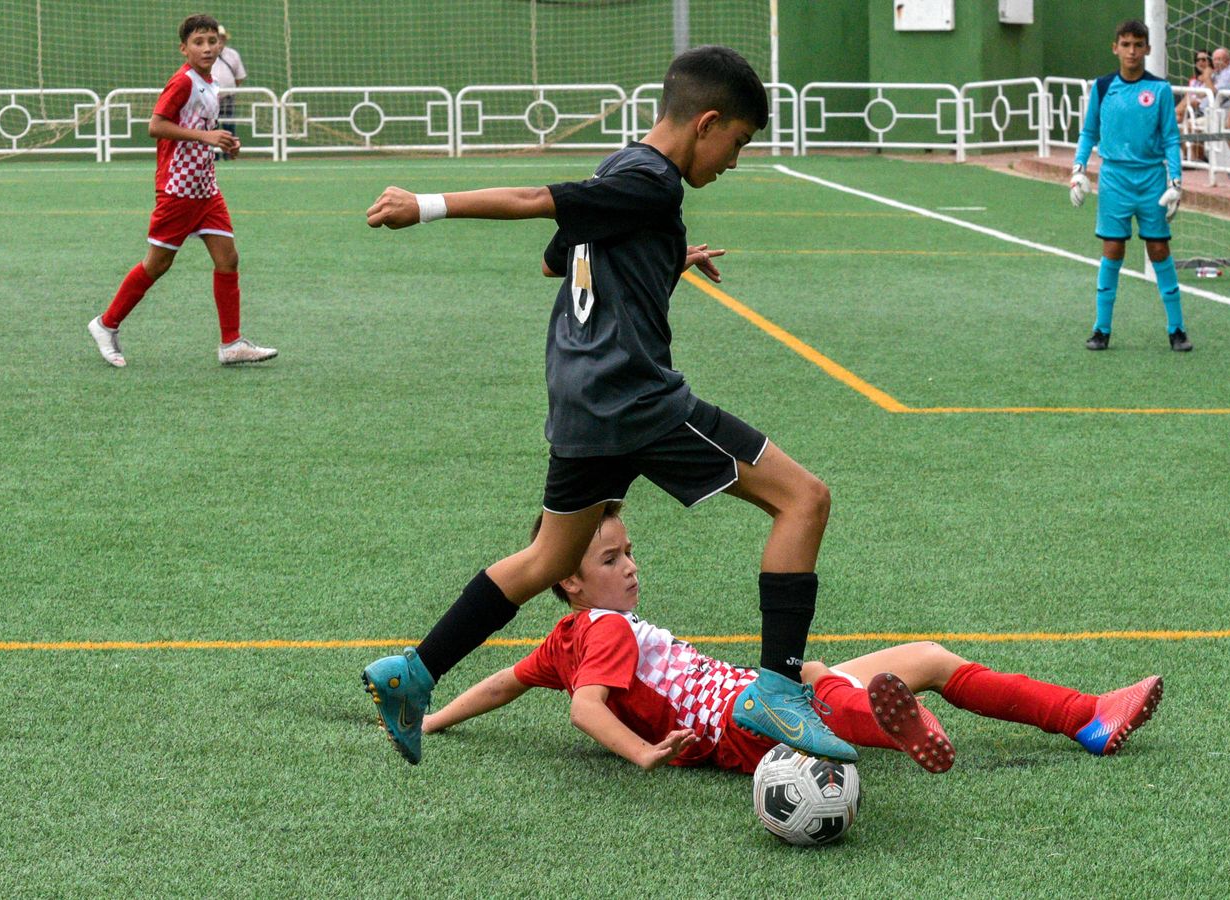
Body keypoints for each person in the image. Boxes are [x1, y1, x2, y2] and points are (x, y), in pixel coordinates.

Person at [359, 46, 857, 767]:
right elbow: (538, 204)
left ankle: (415, 671)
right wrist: (425, 205)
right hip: (636, 399)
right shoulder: (654, 186)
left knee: (547, 558)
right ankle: (778, 687)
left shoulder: (621, 171)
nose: (735, 162)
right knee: (804, 500)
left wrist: (663, 260)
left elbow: (556, 260)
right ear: (707, 122)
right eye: (739, 143)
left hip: (581, 402)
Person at [420, 504, 1165, 774]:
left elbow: (502, 684)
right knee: (815, 680)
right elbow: (587, 709)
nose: (632, 568)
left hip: (751, 698)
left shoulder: (562, 638)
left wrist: (432, 717)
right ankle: (901, 722)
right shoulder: (605, 628)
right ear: (567, 580)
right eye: (610, 560)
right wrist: (646, 751)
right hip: (746, 720)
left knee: (926, 658)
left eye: (628, 551)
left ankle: (1088, 718)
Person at [87, 14, 276, 368]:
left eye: (212, 41)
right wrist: (206, 137)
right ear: (184, 48)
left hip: (205, 188)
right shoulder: (183, 82)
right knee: (157, 264)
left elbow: (201, 128)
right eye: (198, 42)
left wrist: (224, 142)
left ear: (220, 45)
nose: (207, 48)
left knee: (228, 259)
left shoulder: (210, 82)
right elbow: (156, 126)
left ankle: (231, 344)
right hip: (178, 189)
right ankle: (105, 324)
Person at [1069, 20, 1192, 352]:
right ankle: (1101, 330)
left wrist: (1176, 181)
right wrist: (1078, 169)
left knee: (1159, 251)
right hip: (1114, 181)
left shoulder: (1161, 90)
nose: (1132, 51)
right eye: (1126, 44)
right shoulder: (1104, 87)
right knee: (1112, 250)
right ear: (1115, 48)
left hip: (1152, 180)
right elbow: (1088, 132)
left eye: (1138, 45)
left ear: (1148, 49)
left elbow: (1170, 138)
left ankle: (1177, 329)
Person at [211, 24, 246, 153]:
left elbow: (239, 76)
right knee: (211, 127)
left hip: (228, 97)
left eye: (222, 38)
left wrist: (229, 88)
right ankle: (213, 156)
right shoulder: (207, 54)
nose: (219, 41)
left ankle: (229, 153)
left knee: (229, 126)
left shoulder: (233, 55)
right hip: (209, 97)